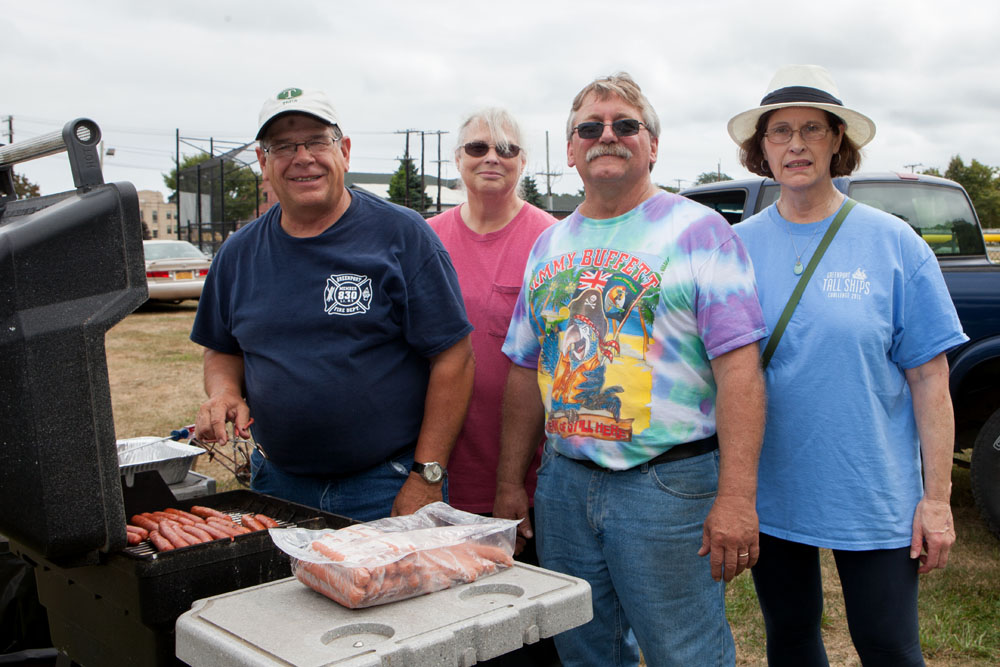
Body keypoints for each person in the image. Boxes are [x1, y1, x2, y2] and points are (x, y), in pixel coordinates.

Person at [496, 72, 768, 666]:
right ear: (570, 150)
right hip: (564, 484)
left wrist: (737, 499)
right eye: (589, 128)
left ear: (652, 144)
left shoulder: (700, 233)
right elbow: (524, 368)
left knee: (684, 652)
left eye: (626, 125)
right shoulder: (549, 245)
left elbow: (741, 372)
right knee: (583, 648)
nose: (607, 136)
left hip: (667, 486)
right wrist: (509, 482)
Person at [728, 65, 968, 665]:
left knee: (887, 644)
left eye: (812, 129)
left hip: (872, 487)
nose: (796, 144)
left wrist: (936, 500)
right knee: (790, 634)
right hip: (773, 486)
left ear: (838, 141)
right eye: (779, 132)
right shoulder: (735, 247)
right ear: (761, 149)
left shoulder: (895, 244)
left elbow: (931, 380)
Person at [191, 87, 474, 521]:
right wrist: (225, 391)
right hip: (276, 484)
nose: (302, 157)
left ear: (343, 151)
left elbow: (454, 358)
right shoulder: (238, 253)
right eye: (283, 146)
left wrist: (426, 477)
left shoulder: (402, 235)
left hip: (386, 485)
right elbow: (222, 348)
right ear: (263, 163)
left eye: (317, 141)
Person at [427, 109, 559, 666]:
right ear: (457, 159)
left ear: (524, 162)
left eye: (507, 149)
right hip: (443, 471)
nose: (492, 158)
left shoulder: (551, 240)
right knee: (449, 629)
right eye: (478, 147)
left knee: (533, 631)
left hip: (530, 475)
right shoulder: (425, 238)